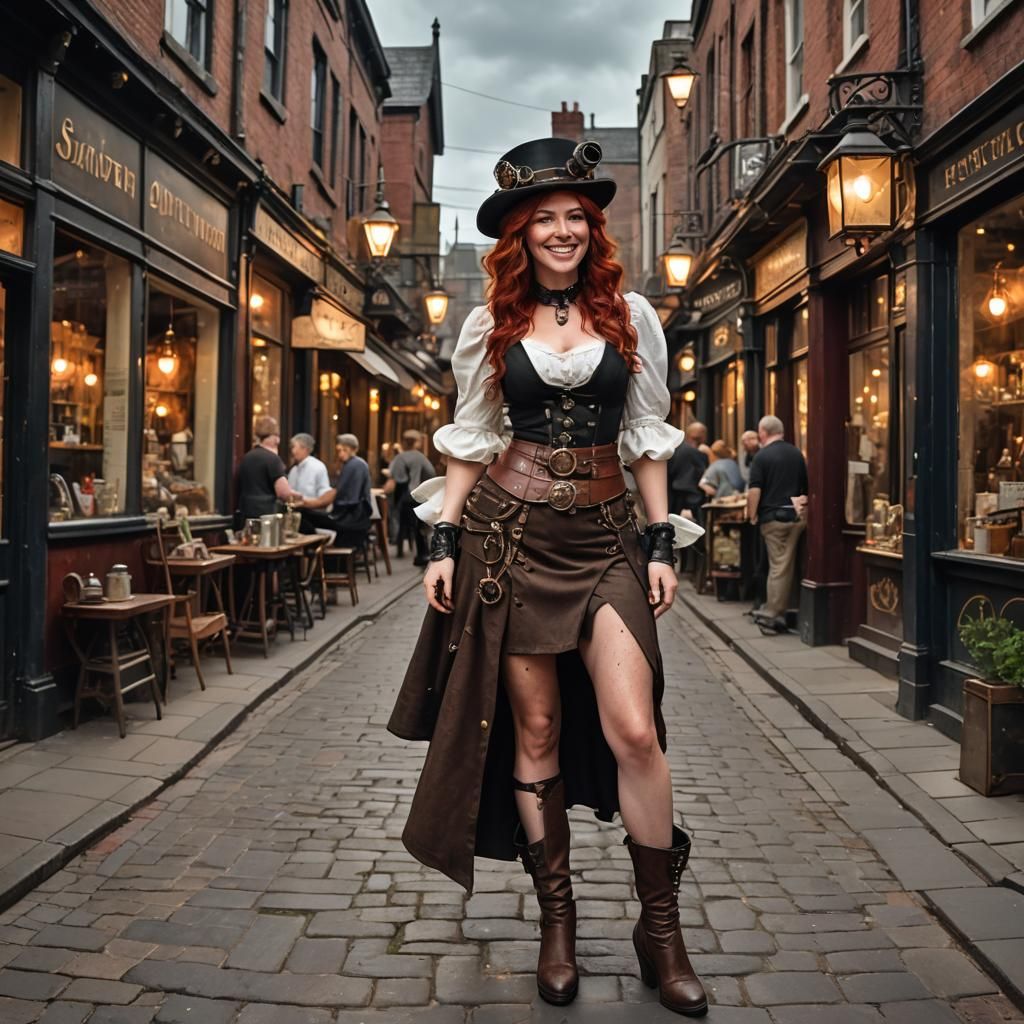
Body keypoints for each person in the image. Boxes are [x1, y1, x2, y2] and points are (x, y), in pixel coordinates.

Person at [387, 137, 706, 1016]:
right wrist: (442, 542)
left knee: (634, 729)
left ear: (591, 228)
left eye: (575, 217)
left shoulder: (630, 316)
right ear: (519, 235)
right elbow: (473, 439)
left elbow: (645, 439)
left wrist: (659, 544)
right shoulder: (490, 323)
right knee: (533, 731)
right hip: (510, 538)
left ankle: (660, 929)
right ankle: (556, 923)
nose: (561, 231)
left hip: (605, 539)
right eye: (544, 220)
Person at [746, 415, 808, 633]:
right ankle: (786, 608)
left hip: (774, 519)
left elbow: (755, 490)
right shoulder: (797, 453)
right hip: (797, 518)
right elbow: (805, 487)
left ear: (763, 432)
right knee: (788, 564)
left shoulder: (762, 457)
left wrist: (751, 515)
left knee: (778, 567)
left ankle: (773, 613)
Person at [385, 429, 436, 566]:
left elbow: (393, 478)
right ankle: (422, 553)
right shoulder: (420, 457)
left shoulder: (400, 458)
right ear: (416, 442)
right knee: (419, 525)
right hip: (419, 495)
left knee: (400, 519)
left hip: (405, 495)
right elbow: (430, 473)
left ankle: (400, 547)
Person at [237, 416, 303, 520]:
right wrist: (299, 496)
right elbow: (283, 493)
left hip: (245, 514)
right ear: (276, 438)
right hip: (266, 517)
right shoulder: (273, 459)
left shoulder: (246, 457)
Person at [288, 433, 336, 547]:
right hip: (296, 514)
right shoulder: (294, 470)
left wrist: (305, 502)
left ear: (305, 448)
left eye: (294, 447)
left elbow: (324, 497)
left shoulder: (317, 467)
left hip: (312, 514)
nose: (292, 451)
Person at [667, 422, 708, 518]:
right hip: (691, 500)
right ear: (703, 437)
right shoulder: (697, 453)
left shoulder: (674, 449)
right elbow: (703, 475)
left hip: (672, 497)